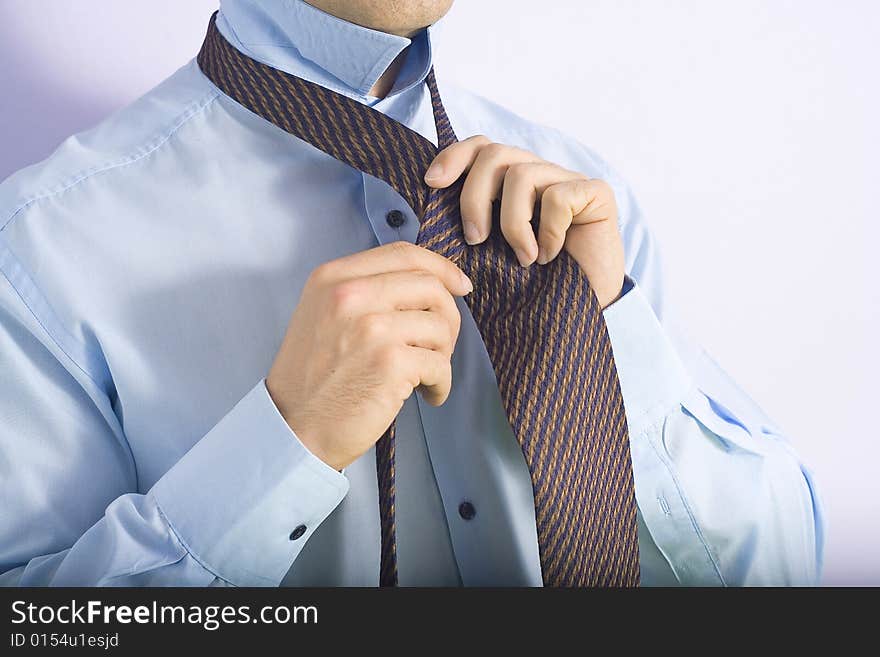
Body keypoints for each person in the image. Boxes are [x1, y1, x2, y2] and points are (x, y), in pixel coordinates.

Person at [0, 0, 822, 586]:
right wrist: (284, 446)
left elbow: (777, 576)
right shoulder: (43, 244)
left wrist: (610, 343)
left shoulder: (579, 201)